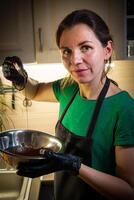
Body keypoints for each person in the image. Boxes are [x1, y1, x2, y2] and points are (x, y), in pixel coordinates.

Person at [2, 9, 134, 200]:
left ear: (107, 50)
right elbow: (35, 91)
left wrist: (74, 166)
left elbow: (128, 192)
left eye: (85, 47)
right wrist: (20, 79)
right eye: (67, 51)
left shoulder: (124, 109)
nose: (75, 60)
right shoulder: (68, 88)